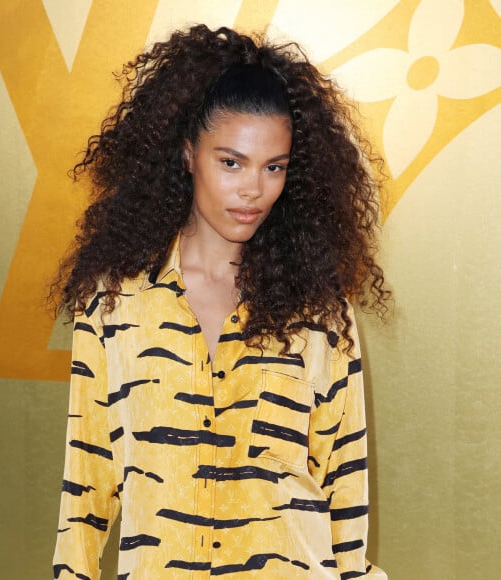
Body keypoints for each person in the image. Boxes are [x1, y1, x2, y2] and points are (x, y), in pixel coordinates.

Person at [52, 24, 389, 579]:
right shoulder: (114, 302)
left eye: (273, 166)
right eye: (231, 162)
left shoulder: (321, 313)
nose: (253, 189)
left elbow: (344, 492)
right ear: (188, 154)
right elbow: (85, 486)